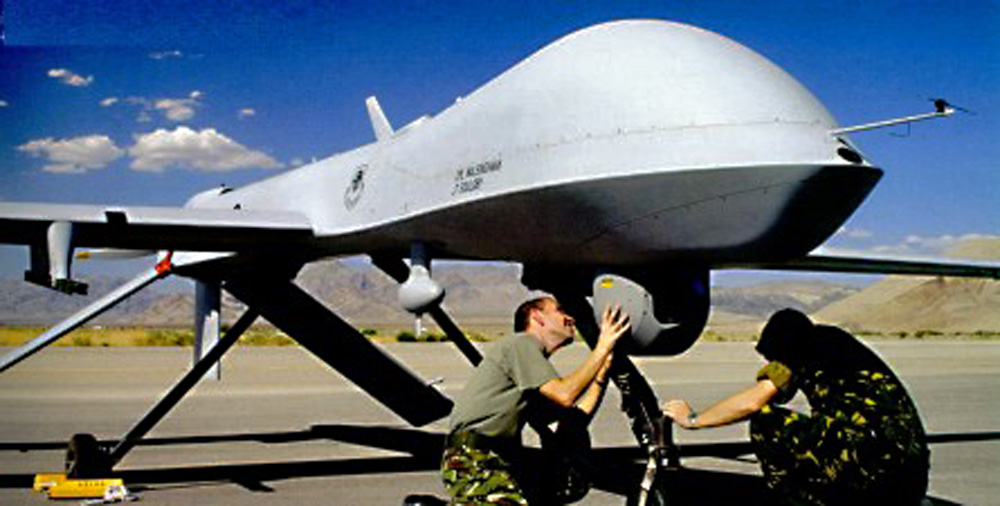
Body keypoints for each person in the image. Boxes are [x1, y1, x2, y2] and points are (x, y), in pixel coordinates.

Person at [663, 308, 929, 506]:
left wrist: (692, 419)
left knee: (766, 421)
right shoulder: (840, 347)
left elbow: (753, 402)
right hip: (910, 480)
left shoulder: (800, 348)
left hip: (875, 472)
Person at [441, 296, 630, 505]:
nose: (570, 319)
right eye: (560, 310)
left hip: (493, 460)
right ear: (537, 317)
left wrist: (601, 377)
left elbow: (572, 420)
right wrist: (602, 347)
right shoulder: (521, 343)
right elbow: (565, 395)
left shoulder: (529, 373)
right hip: (475, 460)